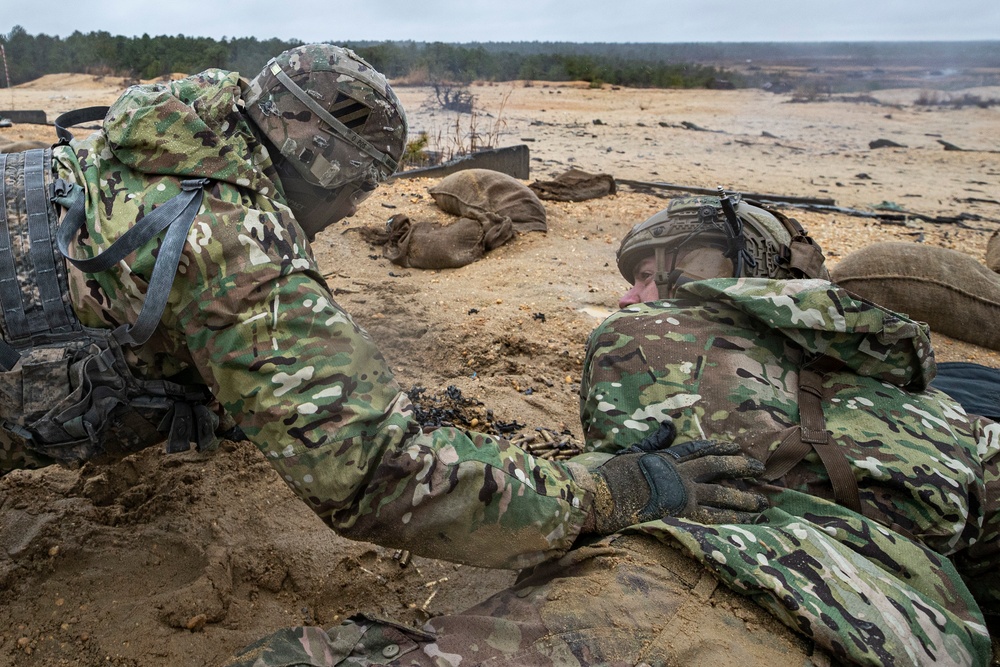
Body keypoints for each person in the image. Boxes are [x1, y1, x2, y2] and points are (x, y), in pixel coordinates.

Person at [0, 43, 766, 587]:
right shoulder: (241, 254)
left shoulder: (178, 132)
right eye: (358, 195)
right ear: (330, 178)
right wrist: (607, 493)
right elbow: (374, 475)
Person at [226, 193, 1000, 667]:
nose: (638, 291)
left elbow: (441, 483)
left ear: (756, 279)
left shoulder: (643, 340)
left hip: (681, 592)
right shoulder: (932, 404)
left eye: (672, 265)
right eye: (636, 271)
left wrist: (613, 490)